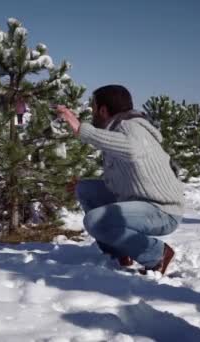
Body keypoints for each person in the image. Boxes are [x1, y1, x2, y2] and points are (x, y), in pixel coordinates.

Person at [56, 85, 184, 275]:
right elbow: (125, 177)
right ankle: (120, 251)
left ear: (103, 110)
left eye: (93, 108)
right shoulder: (119, 128)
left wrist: (81, 129)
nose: (92, 113)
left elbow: (132, 149)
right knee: (85, 189)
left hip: (162, 211)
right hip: (141, 201)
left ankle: (157, 255)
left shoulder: (130, 127)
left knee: (96, 221)